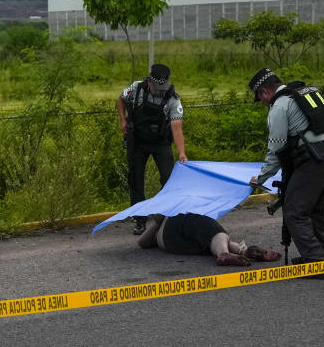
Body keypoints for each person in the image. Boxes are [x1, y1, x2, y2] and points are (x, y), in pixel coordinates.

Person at [246, 68, 324, 279]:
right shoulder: (301, 94)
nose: (263, 103)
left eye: (261, 99)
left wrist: (260, 178)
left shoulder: (279, 107)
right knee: (315, 208)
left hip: (316, 161)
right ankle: (320, 255)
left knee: (294, 212)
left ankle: (315, 263)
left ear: (265, 92)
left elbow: (276, 150)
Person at [116, 63, 188, 235]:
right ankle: (139, 219)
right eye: (157, 87)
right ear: (149, 81)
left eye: (163, 87)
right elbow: (120, 99)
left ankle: (164, 215)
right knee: (135, 178)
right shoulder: (135, 88)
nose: (160, 90)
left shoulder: (173, 99)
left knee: (169, 178)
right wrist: (123, 120)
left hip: (160, 142)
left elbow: (176, 127)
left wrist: (182, 152)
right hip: (138, 141)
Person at [136, 212, 281, 265]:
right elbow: (142, 242)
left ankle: (242, 251)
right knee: (206, 226)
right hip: (174, 227)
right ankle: (226, 253)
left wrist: (158, 219)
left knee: (210, 242)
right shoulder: (168, 217)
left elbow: (142, 242)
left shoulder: (161, 222)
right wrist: (160, 218)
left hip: (180, 245)